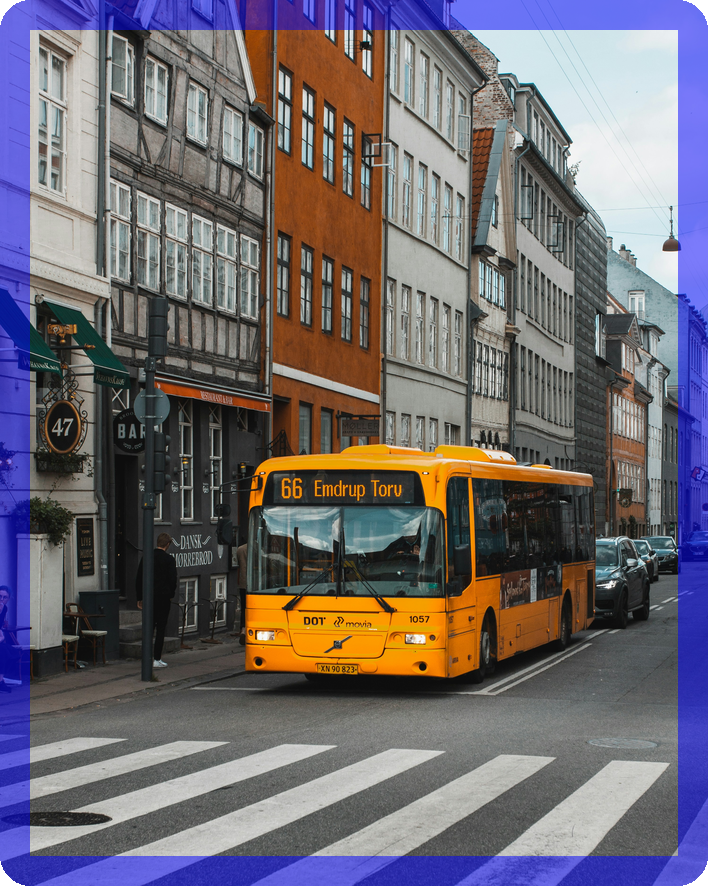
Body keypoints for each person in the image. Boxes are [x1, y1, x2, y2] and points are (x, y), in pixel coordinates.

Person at [136, 533, 177, 668]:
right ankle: (157, 658)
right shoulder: (169, 559)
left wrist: (139, 597)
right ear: (167, 544)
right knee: (160, 628)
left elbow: (139, 578)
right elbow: (172, 580)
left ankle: (146, 656)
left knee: (149, 627)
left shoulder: (147, 557)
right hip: (163, 597)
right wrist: (171, 594)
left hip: (149, 597)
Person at [0, 585, 19, 693]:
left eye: (4, 597)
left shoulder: (4, 608)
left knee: (12, 652)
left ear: (8, 599)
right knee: (3, 651)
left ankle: (1, 680)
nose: (1, 599)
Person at [236, 540, 248, 645]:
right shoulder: (258, 549)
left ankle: (243, 629)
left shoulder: (240, 549)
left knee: (244, 607)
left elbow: (238, 564)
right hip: (255, 585)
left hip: (243, 583)